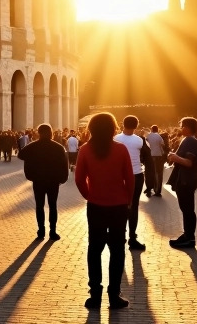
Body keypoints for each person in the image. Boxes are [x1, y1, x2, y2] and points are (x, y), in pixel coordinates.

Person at [75, 112, 134, 310]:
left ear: (90, 128)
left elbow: (79, 178)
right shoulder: (121, 149)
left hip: (96, 206)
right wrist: (128, 200)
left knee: (95, 248)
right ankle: (114, 294)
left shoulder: (85, 150)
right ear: (113, 128)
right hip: (118, 206)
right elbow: (130, 178)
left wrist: (89, 195)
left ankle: (95, 295)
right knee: (117, 249)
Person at [18, 123, 69, 240]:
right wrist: (63, 179)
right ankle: (53, 231)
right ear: (51, 133)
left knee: (39, 206)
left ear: (38, 133)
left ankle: (41, 231)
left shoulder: (33, 146)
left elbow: (21, 155)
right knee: (53, 206)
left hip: (38, 180)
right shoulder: (58, 147)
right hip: (53, 181)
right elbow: (64, 165)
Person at [167, 116, 197, 249]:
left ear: (187, 128)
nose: (180, 128)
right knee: (186, 209)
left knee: (187, 209)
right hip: (185, 179)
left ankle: (189, 237)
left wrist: (175, 157)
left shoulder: (190, 142)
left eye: (182, 126)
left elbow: (188, 162)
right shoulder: (189, 140)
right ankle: (187, 234)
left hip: (186, 180)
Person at [113, 115, 147, 252]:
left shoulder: (115, 139)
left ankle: (119, 236)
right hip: (136, 175)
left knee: (119, 205)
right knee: (133, 206)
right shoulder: (139, 140)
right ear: (136, 126)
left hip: (119, 176)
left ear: (122, 124)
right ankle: (133, 238)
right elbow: (146, 157)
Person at [144, 125, 166, 198]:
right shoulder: (159, 136)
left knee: (149, 172)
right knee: (158, 173)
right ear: (157, 130)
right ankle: (158, 191)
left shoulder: (148, 136)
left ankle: (149, 187)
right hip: (159, 155)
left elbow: (145, 144)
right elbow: (162, 145)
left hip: (150, 155)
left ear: (151, 129)